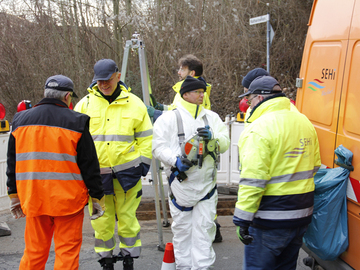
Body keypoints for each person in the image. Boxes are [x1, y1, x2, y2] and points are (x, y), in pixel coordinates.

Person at [6, 74, 105, 270]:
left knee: (34, 252)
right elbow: (89, 165)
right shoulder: (77, 122)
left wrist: (14, 194)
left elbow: (12, 162)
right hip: (68, 200)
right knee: (67, 252)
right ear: (68, 96)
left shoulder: (20, 120)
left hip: (33, 198)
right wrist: (97, 197)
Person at [233, 75, 321, 270]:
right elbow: (315, 166)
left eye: (250, 99)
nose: (248, 104)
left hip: (270, 219)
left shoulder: (259, 128)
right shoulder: (303, 121)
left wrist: (242, 219)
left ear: (261, 98)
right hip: (301, 216)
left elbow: (253, 181)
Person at [74, 59, 153, 270]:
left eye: (107, 80)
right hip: (97, 177)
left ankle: (129, 258)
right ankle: (106, 260)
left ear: (118, 76)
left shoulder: (135, 104)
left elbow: (146, 139)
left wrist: (143, 165)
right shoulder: (84, 104)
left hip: (128, 174)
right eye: (99, 81)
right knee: (101, 220)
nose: (103, 85)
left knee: (128, 218)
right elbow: (74, 140)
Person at [152, 76, 230, 269]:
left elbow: (226, 143)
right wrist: (175, 161)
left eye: (203, 92)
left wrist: (214, 138)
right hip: (181, 187)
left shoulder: (211, 118)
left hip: (206, 188)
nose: (201, 95)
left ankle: (201, 268)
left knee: (205, 231)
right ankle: (184, 267)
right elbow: (158, 147)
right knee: (182, 232)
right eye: (198, 92)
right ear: (185, 94)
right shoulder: (169, 118)